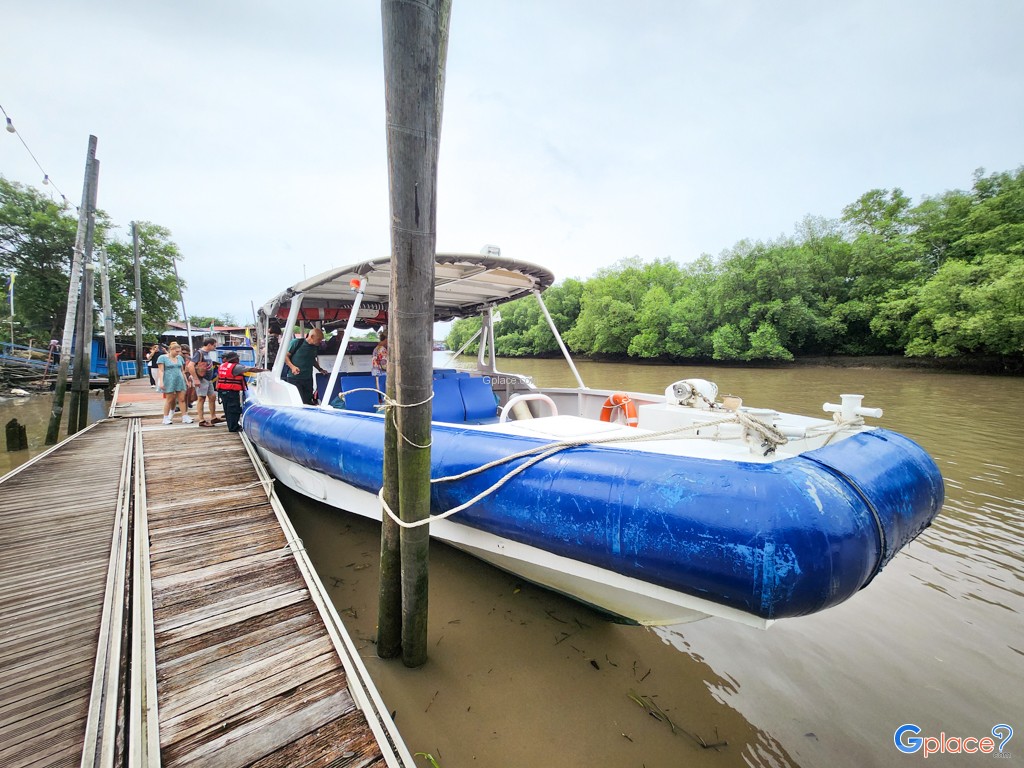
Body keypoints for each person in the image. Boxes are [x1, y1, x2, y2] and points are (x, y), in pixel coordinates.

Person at [215, 351, 265, 432]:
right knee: (234, 409)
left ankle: (231, 425)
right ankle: (234, 427)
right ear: (234, 359)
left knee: (227, 409)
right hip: (231, 391)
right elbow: (251, 369)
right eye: (237, 358)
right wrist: (265, 371)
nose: (238, 359)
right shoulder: (236, 367)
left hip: (222, 391)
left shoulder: (222, 366)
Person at [283, 327, 326, 405]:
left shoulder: (314, 347)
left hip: (308, 378)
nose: (320, 342)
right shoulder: (296, 343)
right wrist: (292, 367)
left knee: (308, 401)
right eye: (319, 339)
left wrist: (320, 369)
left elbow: (312, 359)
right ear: (312, 336)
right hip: (294, 378)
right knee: (297, 401)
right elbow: (285, 356)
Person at [187, 337, 223, 427]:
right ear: (209, 344)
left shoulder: (206, 354)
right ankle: (201, 420)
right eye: (214, 345)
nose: (215, 347)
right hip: (201, 379)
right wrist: (195, 379)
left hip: (208, 379)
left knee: (212, 396)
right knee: (201, 398)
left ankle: (213, 417)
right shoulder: (199, 353)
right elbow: (190, 365)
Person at [156, 342, 194, 425]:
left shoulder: (179, 358)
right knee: (169, 399)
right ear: (171, 350)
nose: (178, 353)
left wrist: (186, 381)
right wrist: (161, 382)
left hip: (179, 379)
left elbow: (182, 370)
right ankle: (165, 417)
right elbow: (161, 370)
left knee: (182, 399)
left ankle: (184, 416)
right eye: (176, 351)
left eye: (179, 351)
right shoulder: (162, 358)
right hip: (169, 379)